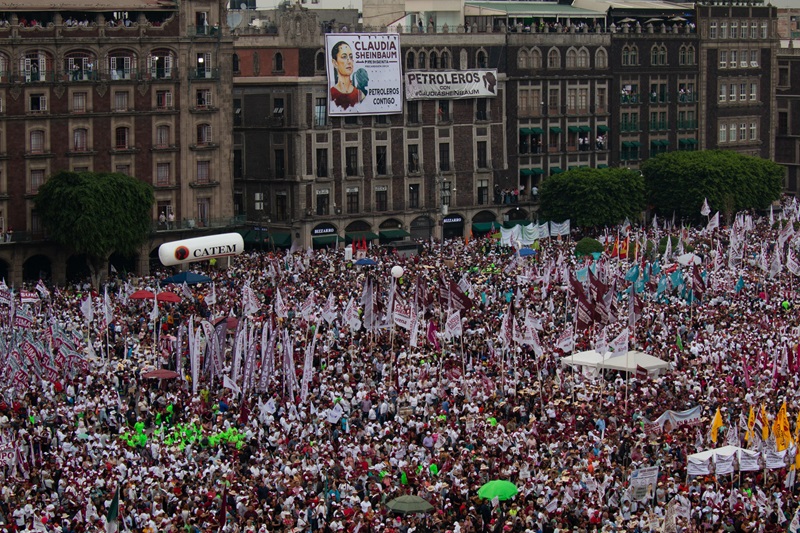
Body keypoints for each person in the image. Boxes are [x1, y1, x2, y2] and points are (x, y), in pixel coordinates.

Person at [329, 41, 366, 111]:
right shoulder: (331, 93)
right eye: (344, 57)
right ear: (335, 63)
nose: (349, 61)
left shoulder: (360, 95)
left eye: (351, 57)